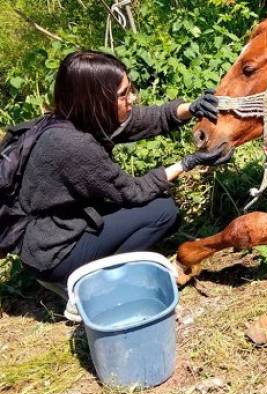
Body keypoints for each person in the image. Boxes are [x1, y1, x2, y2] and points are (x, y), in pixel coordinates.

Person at [15, 51, 229, 309]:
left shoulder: (71, 119)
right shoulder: (75, 146)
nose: (133, 98)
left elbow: (144, 120)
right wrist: (188, 163)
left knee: (156, 207)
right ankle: (92, 287)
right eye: (123, 94)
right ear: (96, 100)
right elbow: (134, 192)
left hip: (53, 231)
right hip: (55, 253)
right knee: (163, 212)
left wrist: (190, 108)